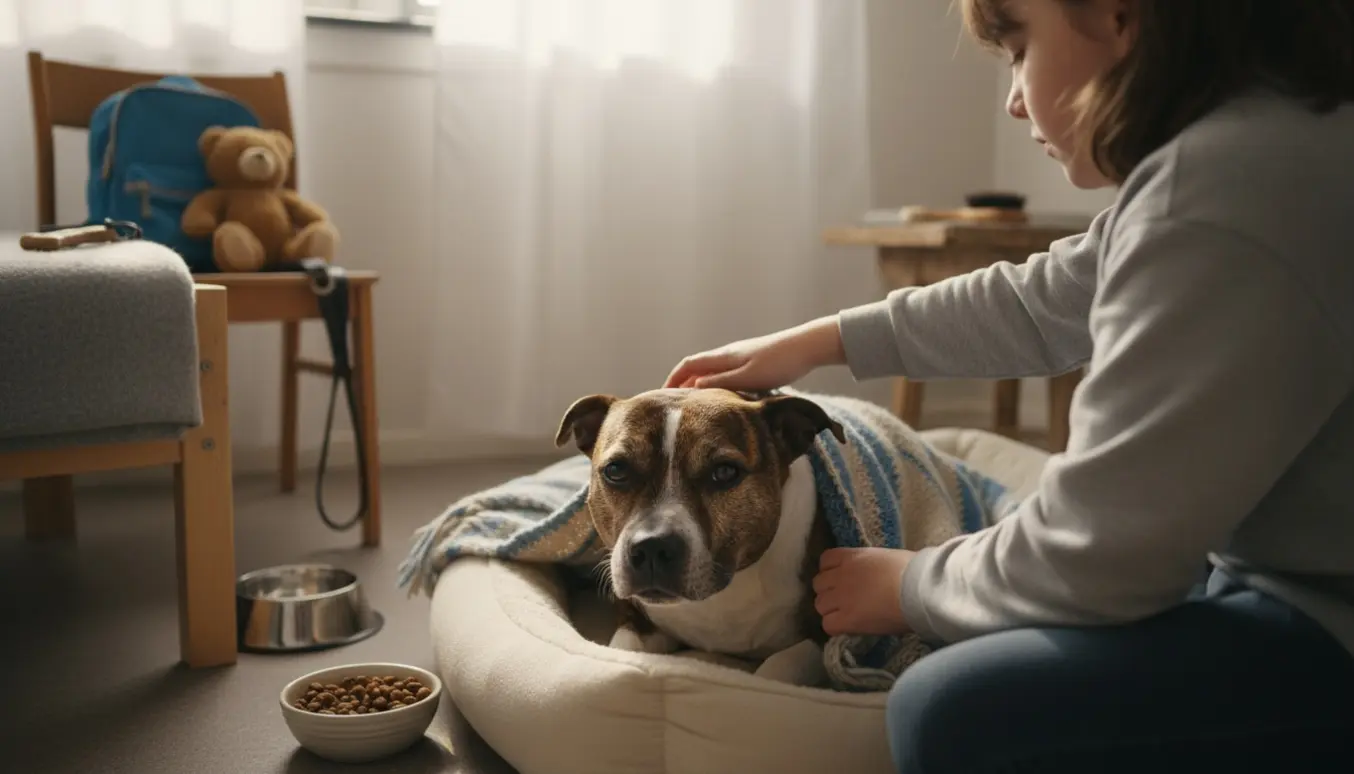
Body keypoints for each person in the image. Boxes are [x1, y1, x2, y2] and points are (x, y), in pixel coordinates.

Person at [664, 0, 1354, 771]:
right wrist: (818, 343)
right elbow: (1040, 303)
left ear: (1119, 15)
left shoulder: (1216, 195)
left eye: (1019, 46)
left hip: (1323, 620)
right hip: (1280, 574)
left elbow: (1097, 558)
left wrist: (911, 586)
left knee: (946, 705)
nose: (1014, 97)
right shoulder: (1257, 147)